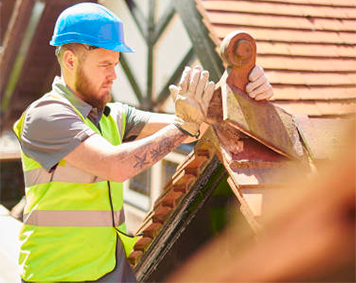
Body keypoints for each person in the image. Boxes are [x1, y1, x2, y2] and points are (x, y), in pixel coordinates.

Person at [13, 2, 273, 283]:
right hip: (57, 277)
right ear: (70, 61)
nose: (113, 75)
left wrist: (245, 91)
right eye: (104, 65)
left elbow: (197, 120)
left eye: (115, 64)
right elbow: (115, 165)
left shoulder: (113, 116)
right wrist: (183, 126)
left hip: (112, 269)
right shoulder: (46, 115)